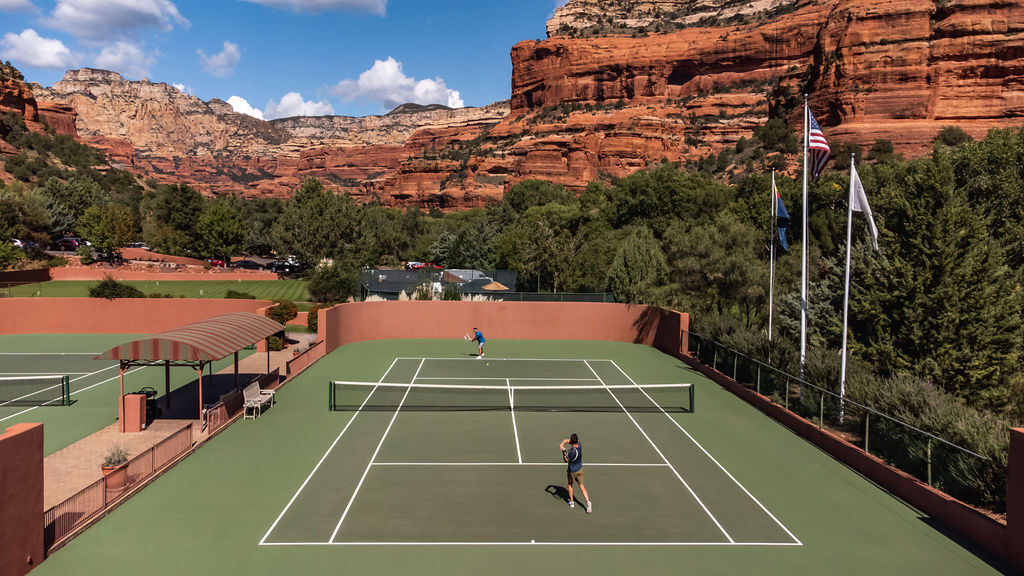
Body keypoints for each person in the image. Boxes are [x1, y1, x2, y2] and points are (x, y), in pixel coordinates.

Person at [559, 433, 591, 513]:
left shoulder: (572, 452)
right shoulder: (579, 444)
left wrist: (563, 451)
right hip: (580, 469)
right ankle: (588, 502)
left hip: (572, 471)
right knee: (582, 486)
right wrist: (562, 444)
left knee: (570, 485)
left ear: (572, 441)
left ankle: (572, 502)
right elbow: (566, 440)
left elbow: (566, 460)